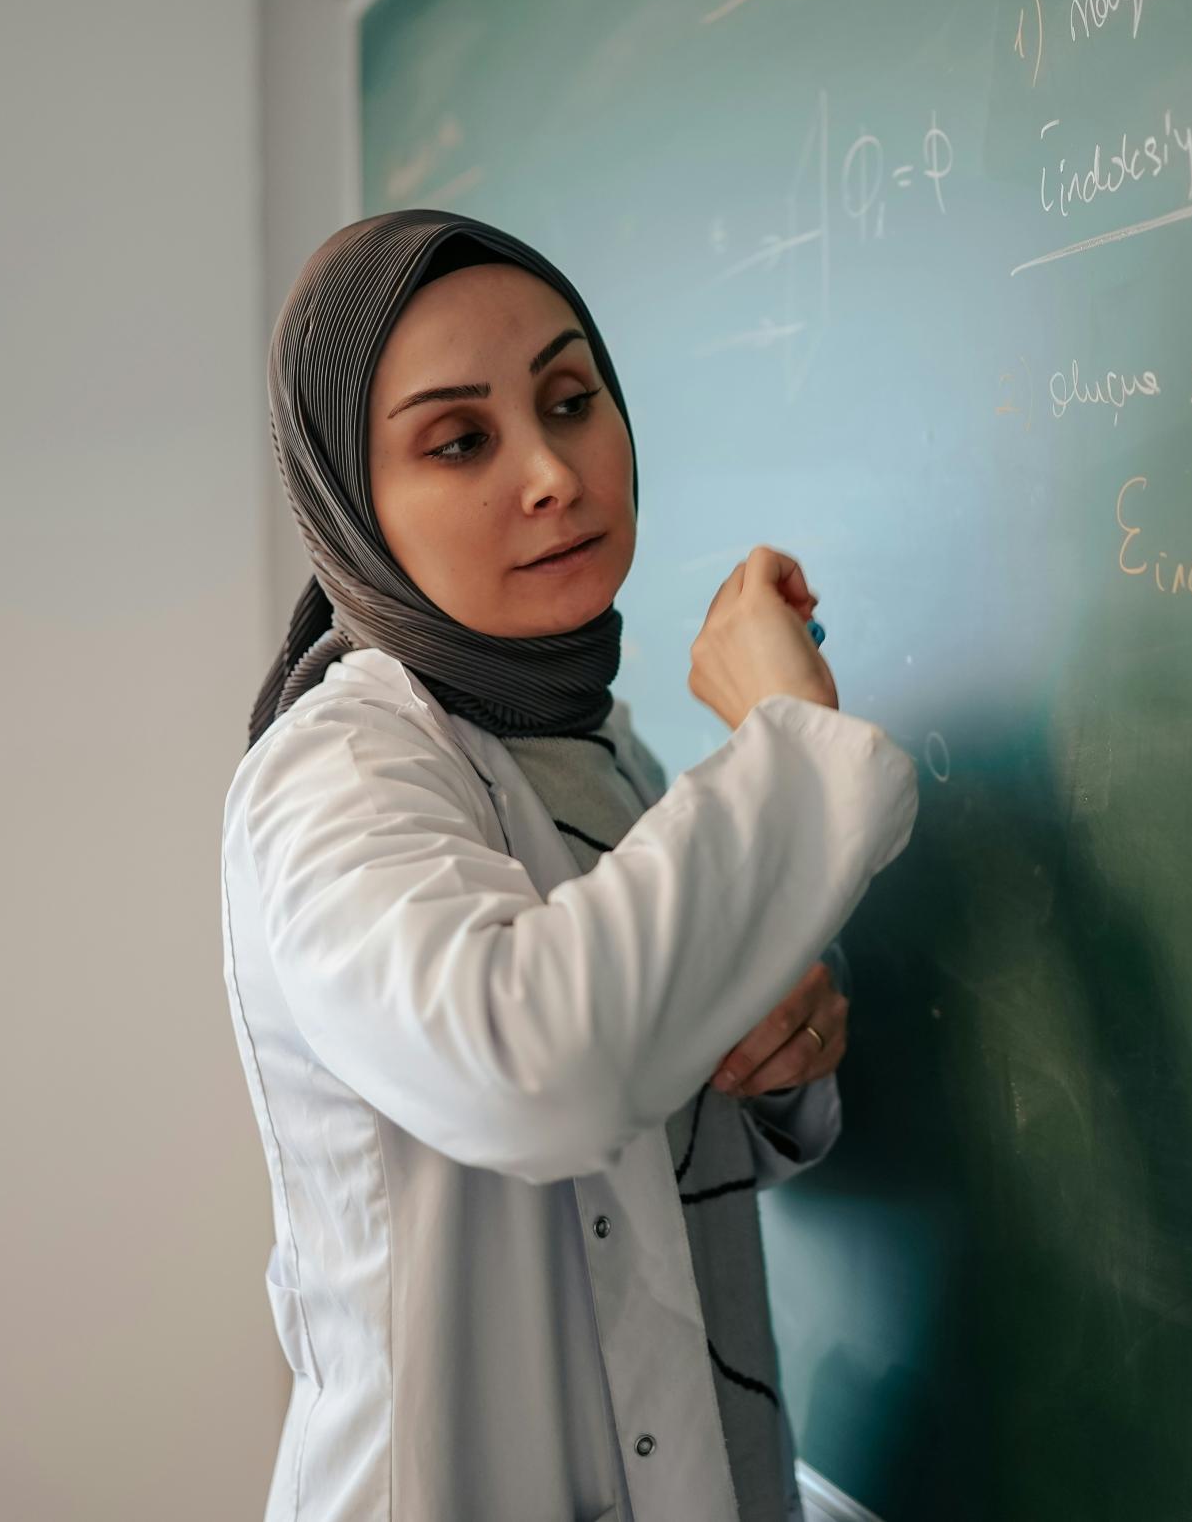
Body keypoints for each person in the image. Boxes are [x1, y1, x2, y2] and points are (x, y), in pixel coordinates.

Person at [221, 208, 920, 1522]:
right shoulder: (343, 773)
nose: (551, 472)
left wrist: (767, 1056)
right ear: (352, 504)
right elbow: (533, 1069)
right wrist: (792, 745)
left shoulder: (593, 752)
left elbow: (630, 1147)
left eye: (570, 398)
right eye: (460, 440)